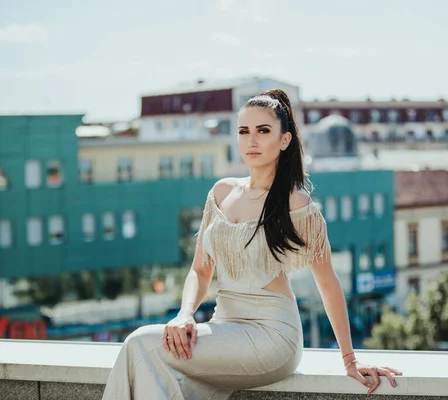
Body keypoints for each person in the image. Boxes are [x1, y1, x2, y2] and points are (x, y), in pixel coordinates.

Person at [102, 89, 402, 399]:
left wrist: (350, 360)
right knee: (149, 356)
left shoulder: (296, 203)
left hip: (273, 336)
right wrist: (185, 314)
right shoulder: (220, 193)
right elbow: (200, 271)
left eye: (263, 131)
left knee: (141, 344)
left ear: (284, 140)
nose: (251, 141)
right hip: (223, 326)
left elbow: (327, 282)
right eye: (244, 131)